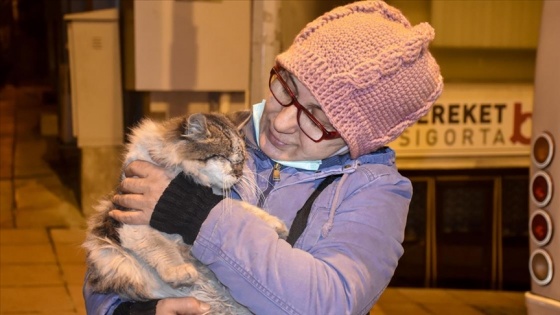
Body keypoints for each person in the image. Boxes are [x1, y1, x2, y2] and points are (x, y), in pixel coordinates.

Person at [83, 1, 443, 314]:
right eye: (286, 87)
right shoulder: (221, 135)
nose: (283, 121)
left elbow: (328, 303)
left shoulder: (374, 194)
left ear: (357, 139)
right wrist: (132, 311)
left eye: (317, 118)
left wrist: (200, 216)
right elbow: (110, 250)